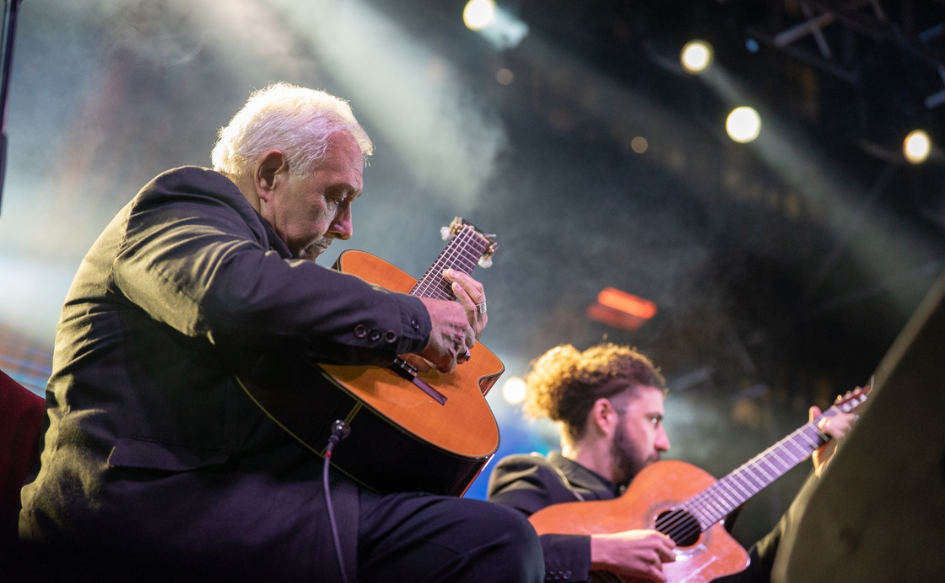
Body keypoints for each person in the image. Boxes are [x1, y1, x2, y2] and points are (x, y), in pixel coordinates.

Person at [18, 83, 543, 583]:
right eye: (337, 196)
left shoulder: (276, 275)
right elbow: (237, 293)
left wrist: (428, 345)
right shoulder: (181, 204)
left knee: (478, 533)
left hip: (235, 495)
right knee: (494, 541)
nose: (346, 228)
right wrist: (417, 320)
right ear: (269, 175)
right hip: (152, 503)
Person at [487, 343, 855, 583]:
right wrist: (604, 550)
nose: (663, 441)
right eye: (652, 420)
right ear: (604, 415)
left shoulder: (652, 503)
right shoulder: (534, 476)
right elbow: (496, 562)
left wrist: (821, 481)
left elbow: (759, 572)